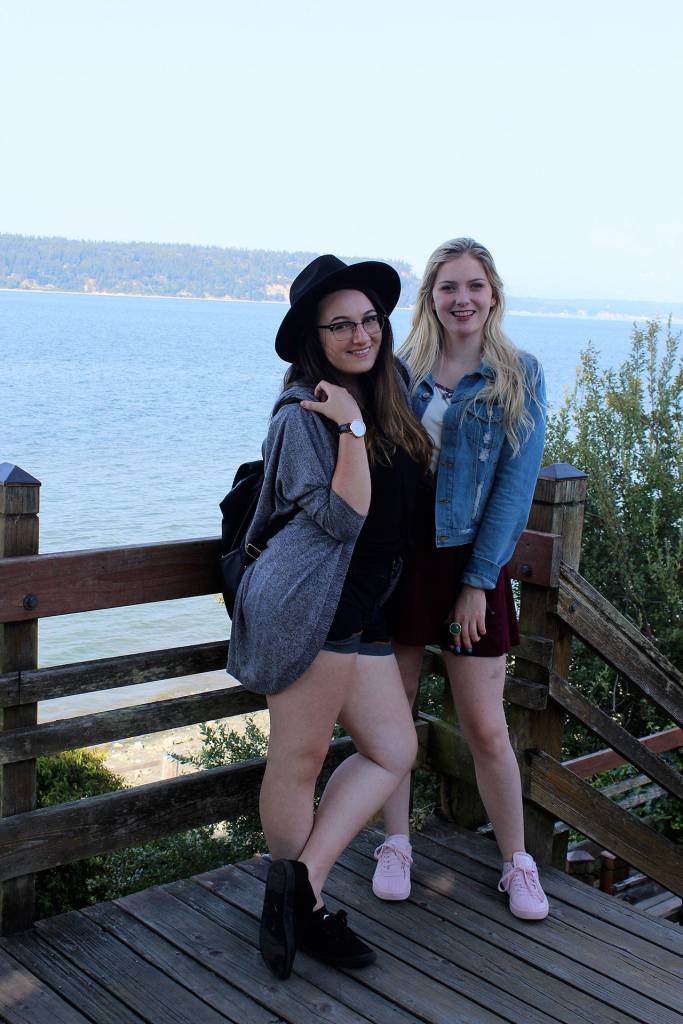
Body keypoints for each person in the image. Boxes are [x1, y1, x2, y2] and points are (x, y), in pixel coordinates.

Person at [228, 254, 432, 979]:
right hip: (307, 609)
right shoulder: (303, 415)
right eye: (340, 325)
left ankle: (298, 890)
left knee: (391, 748)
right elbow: (345, 518)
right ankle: (302, 912)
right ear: (314, 337)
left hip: (364, 608)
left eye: (369, 320)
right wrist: (347, 428)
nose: (359, 335)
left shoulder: (395, 389)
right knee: (300, 760)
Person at [372, 237, 550, 921]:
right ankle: (396, 844)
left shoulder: (518, 375)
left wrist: (478, 581)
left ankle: (517, 864)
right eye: (448, 287)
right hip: (399, 564)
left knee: (482, 725)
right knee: (394, 719)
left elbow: (513, 487)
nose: (462, 299)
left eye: (473, 285)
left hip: (468, 568)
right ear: (430, 298)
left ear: (493, 294)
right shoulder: (399, 369)